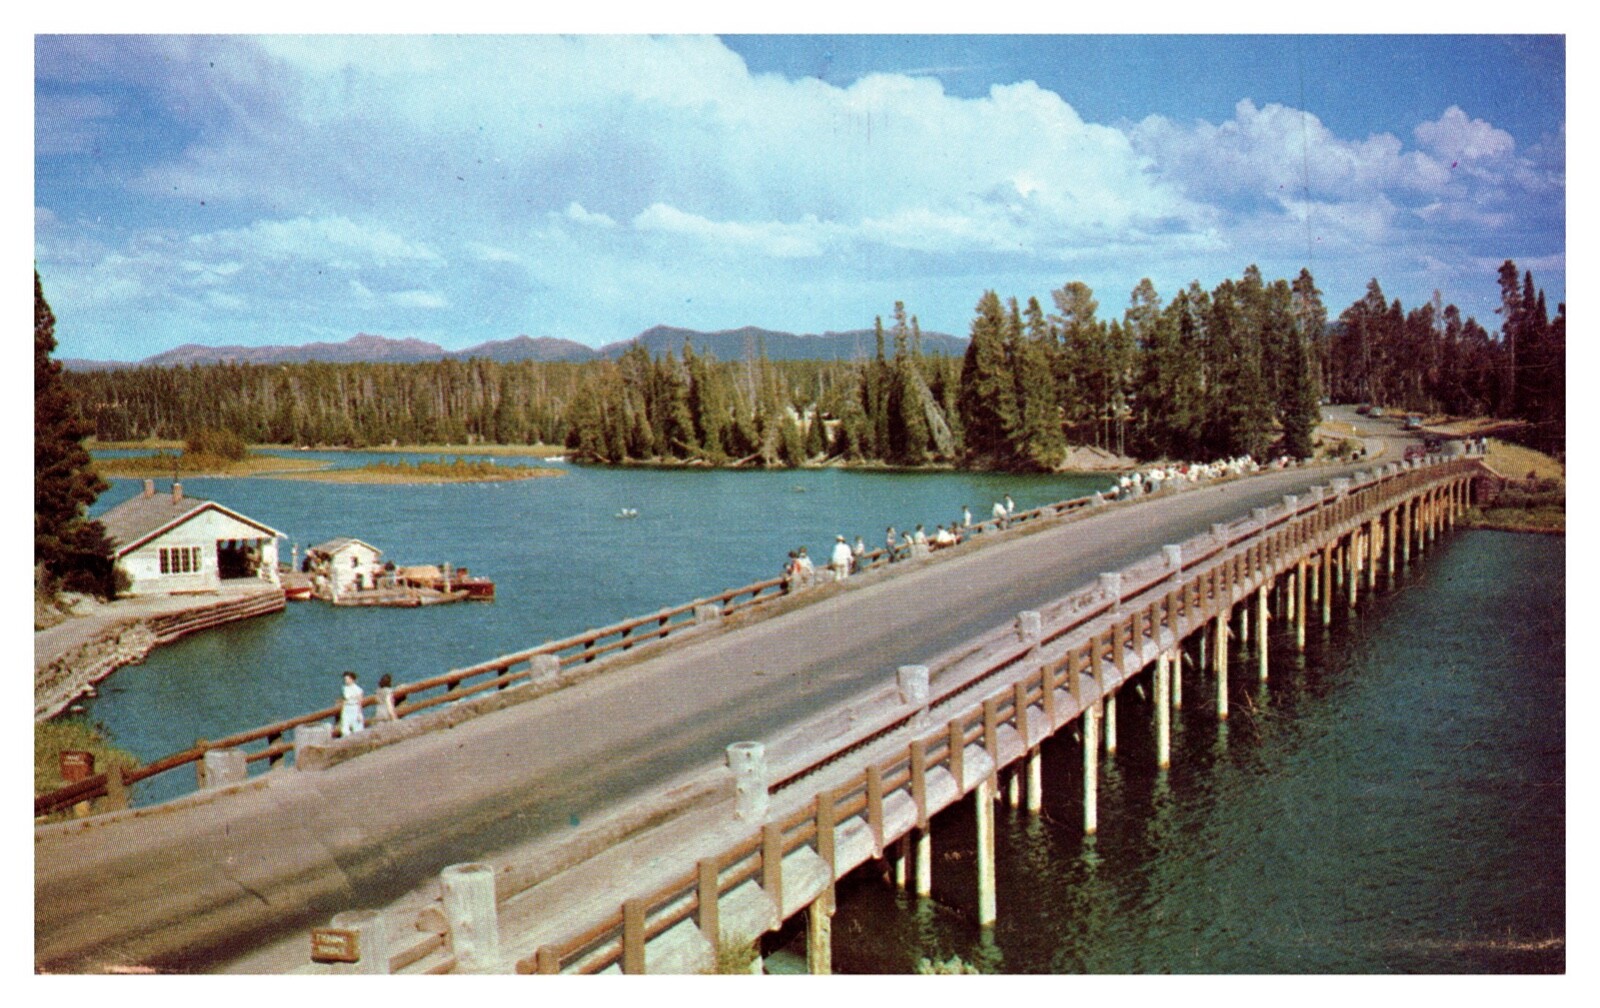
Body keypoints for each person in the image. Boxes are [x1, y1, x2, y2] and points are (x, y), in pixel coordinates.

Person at [339, 671, 365, 736]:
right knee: (344, 728)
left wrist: (359, 713)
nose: (345, 681)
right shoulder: (344, 688)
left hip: (354, 708)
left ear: (352, 679)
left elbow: (360, 702)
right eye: (345, 679)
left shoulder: (358, 689)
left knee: (357, 727)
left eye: (347, 679)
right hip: (346, 708)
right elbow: (344, 699)